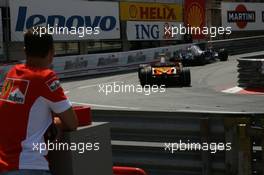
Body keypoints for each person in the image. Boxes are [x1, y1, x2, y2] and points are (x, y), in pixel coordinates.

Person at [0, 28, 78, 175]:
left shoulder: (13, 73)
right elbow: (72, 123)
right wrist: (55, 123)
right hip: (29, 166)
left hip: (5, 165)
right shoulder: (46, 77)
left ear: (25, 50)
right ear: (52, 52)